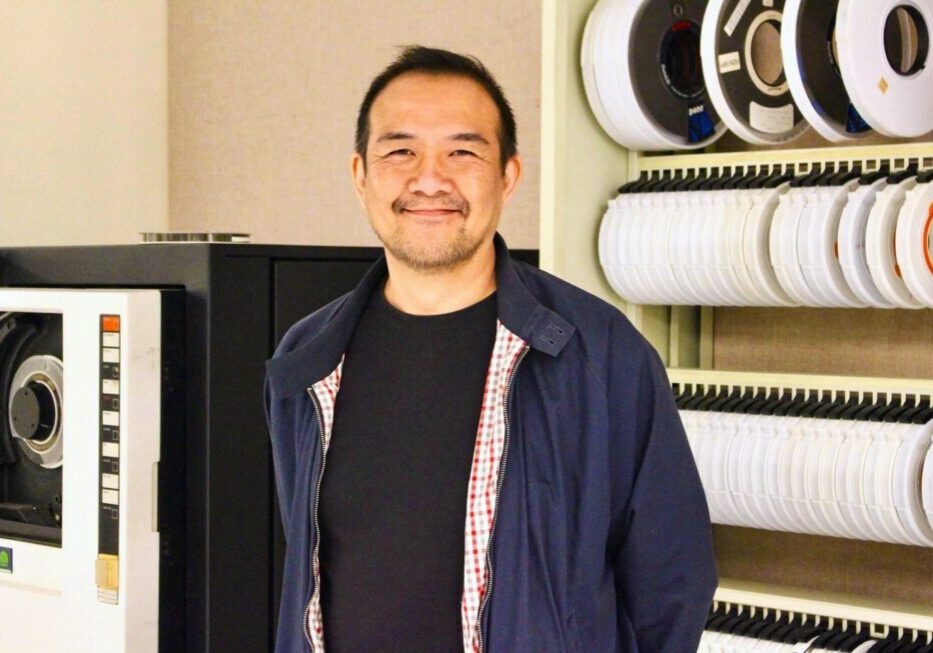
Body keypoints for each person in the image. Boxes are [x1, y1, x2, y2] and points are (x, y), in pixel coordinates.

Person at [265, 45, 716, 653]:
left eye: (463, 151)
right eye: (400, 151)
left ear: (507, 176)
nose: (429, 179)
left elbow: (671, 585)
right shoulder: (308, 359)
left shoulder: (601, 356)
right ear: (360, 176)